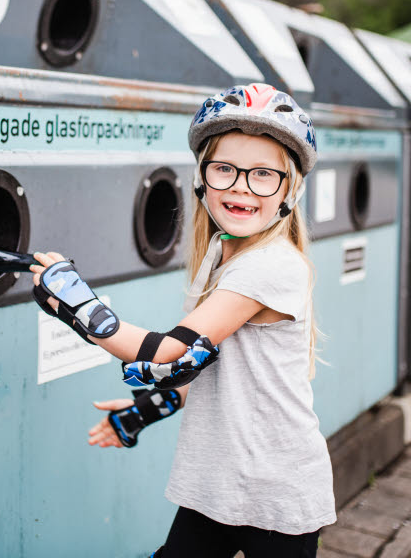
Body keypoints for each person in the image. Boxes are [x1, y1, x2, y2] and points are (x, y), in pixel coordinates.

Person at [29, 83, 336, 558]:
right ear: (202, 178)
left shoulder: (270, 264)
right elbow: (207, 364)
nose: (241, 185)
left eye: (263, 175)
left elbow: (168, 350)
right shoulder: (223, 255)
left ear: (288, 192)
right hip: (219, 485)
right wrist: (147, 409)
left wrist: (75, 300)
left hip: (274, 491)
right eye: (225, 169)